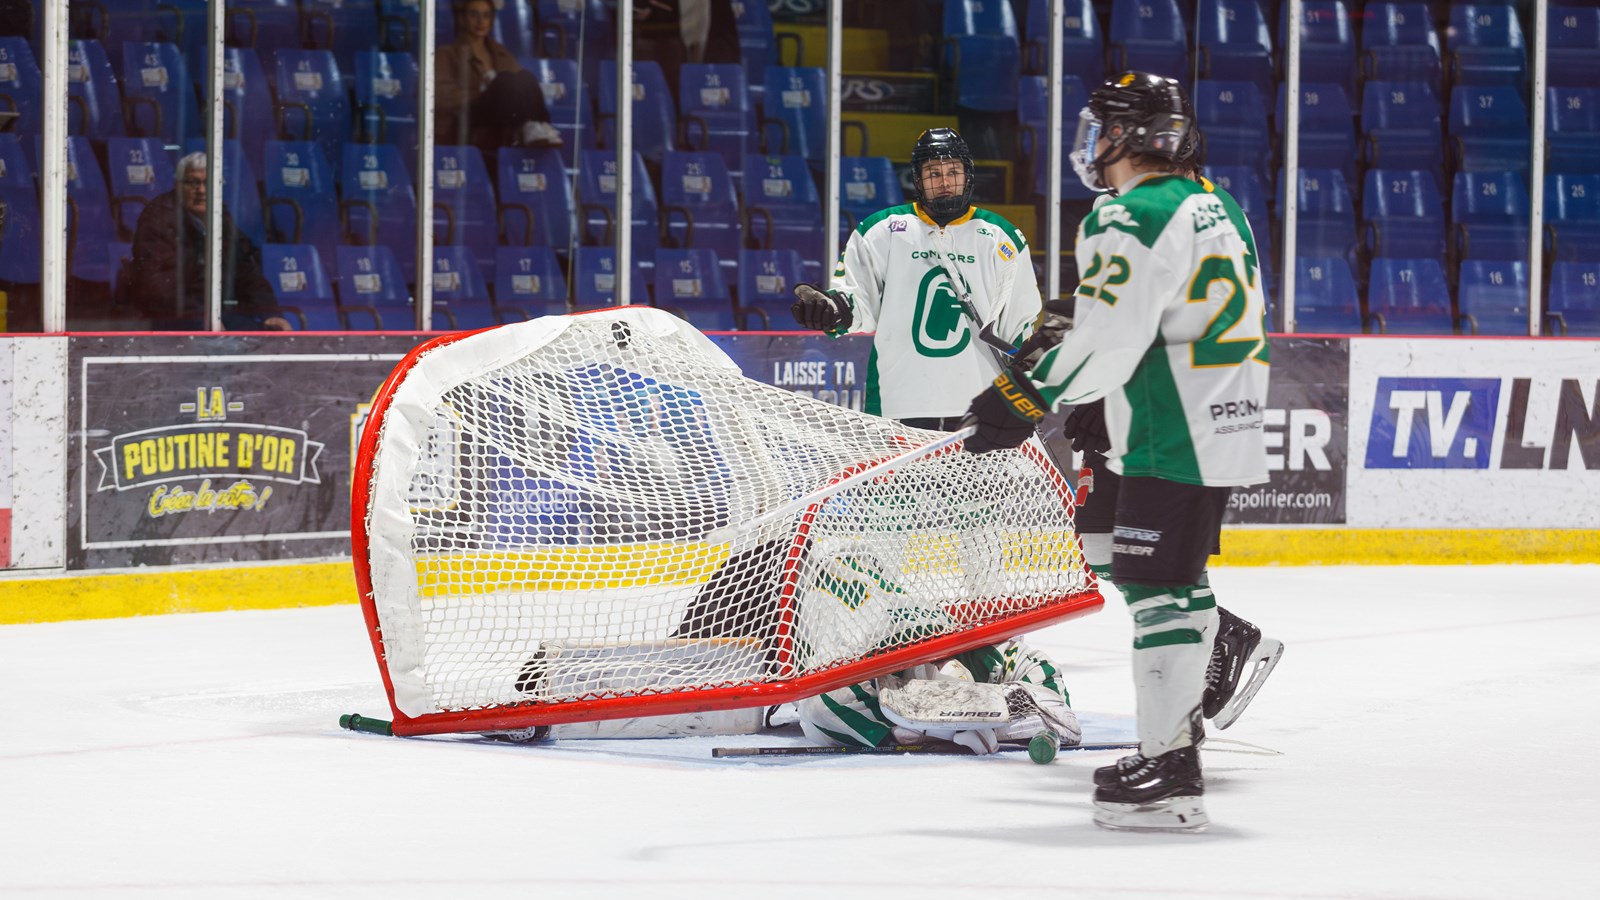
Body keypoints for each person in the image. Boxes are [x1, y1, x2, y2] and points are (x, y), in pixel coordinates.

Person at [960, 72, 1283, 833]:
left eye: (1103, 130)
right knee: (1163, 578)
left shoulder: (1128, 213)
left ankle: (1170, 772)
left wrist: (1021, 397)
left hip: (1170, 422)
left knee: (1156, 590)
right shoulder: (1213, 202)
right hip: (1218, 414)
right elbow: (1159, 311)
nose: (1094, 145)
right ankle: (1178, 739)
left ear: (1131, 137)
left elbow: (1109, 340)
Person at [790, 127, 1043, 431]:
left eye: (953, 171)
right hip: (899, 403)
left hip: (980, 404)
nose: (945, 182)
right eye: (933, 173)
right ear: (918, 179)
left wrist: (1022, 383)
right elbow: (857, 301)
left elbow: (1019, 323)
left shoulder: (1001, 238)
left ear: (968, 175)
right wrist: (832, 310)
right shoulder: (881, 230)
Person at [795, 638, 1081, 754]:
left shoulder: (980, 653)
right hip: (879, 666)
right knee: (818, 711)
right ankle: (933, 729)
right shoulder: (853, 651)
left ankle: (933, 728)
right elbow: (818, 709)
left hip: (923, 660)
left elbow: (1048, 681)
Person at [124, 152, 290, 331]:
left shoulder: (221, 218)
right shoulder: (159, 218)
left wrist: (271, 312)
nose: (201, 190)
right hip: (174, 315)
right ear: (177, 186)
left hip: (213, 313)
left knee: (269, 336)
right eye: (193, 182)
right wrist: (203, 317)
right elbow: (160, 289)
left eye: (208, 183)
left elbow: (247, 272)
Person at [436, 0, 562, 163]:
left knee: (527, 77)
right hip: (467, 114)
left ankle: (539, 126)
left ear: (491, 20)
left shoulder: (500, 52)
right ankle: (529, 126)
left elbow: (521, 88)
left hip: (499, 115)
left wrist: (497, 91)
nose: (480, 21)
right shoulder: (446, 54)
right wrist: (483, 92)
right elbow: (440, 95)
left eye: (486, 16)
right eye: (474, 14)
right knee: (504, 79)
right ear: (462, 19)